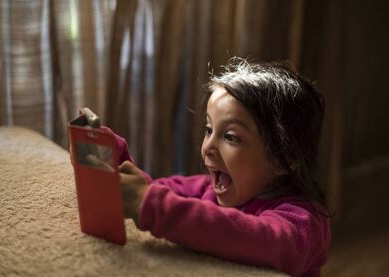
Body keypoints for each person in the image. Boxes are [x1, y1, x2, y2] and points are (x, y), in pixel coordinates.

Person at [107, 58, 331, 277]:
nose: (208, 147)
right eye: (208, 129)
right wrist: (117, 160)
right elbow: (153, 191)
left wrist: (149, 204)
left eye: (231, 137)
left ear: (283, 159)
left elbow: (250, 238)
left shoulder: (303, 224)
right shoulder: (206, 187)